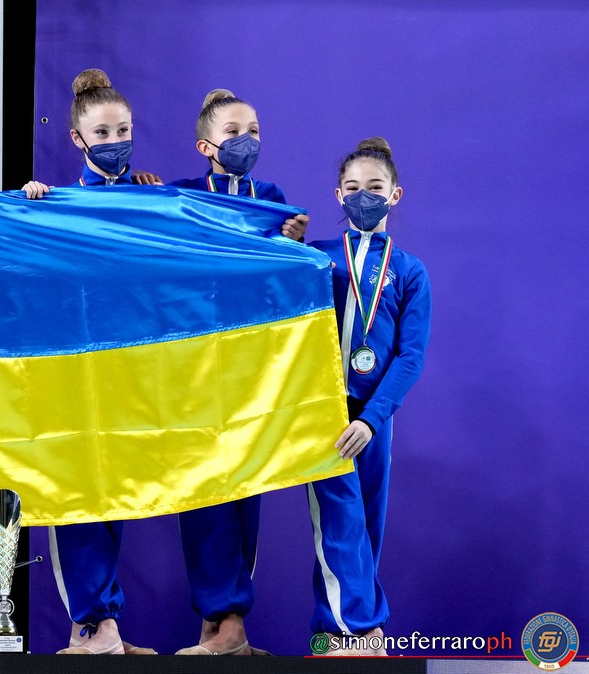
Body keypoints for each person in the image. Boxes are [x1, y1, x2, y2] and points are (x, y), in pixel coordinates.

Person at [22, 69, 155, 657]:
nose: (115, 141)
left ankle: (108, 628)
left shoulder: (153, 198)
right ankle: (88, 627)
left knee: (114, 495)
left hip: (131, 369)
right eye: (102, 133)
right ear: (77, 139)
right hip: (74, 370)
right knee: (77, 495)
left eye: (123, 130)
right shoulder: (54, 202)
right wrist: (30, 210)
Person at [170, 89, 306, 656]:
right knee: (201, 491)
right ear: (205, 145)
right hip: (193, 363)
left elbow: (281, 277)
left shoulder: (271, 200)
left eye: (253, 129)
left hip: (250, 363)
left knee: (245, 487)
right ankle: (215, 621)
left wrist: (291, 244)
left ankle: (231, 624)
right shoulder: (178, 195)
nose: (246, 139)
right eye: (233, 131)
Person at [307, 137, 431, 656]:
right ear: (338, 194)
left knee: (366, 526)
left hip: (374, 416)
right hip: (324, 411)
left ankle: (331, 635)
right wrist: (285, 243)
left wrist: (374, 417)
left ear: (395, 195)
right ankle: (363, 631)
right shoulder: (313, 257)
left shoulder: (410, 270)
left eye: (375, 188)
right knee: (339, 521)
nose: (364, 196)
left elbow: (410, 357)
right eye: (353, 187)